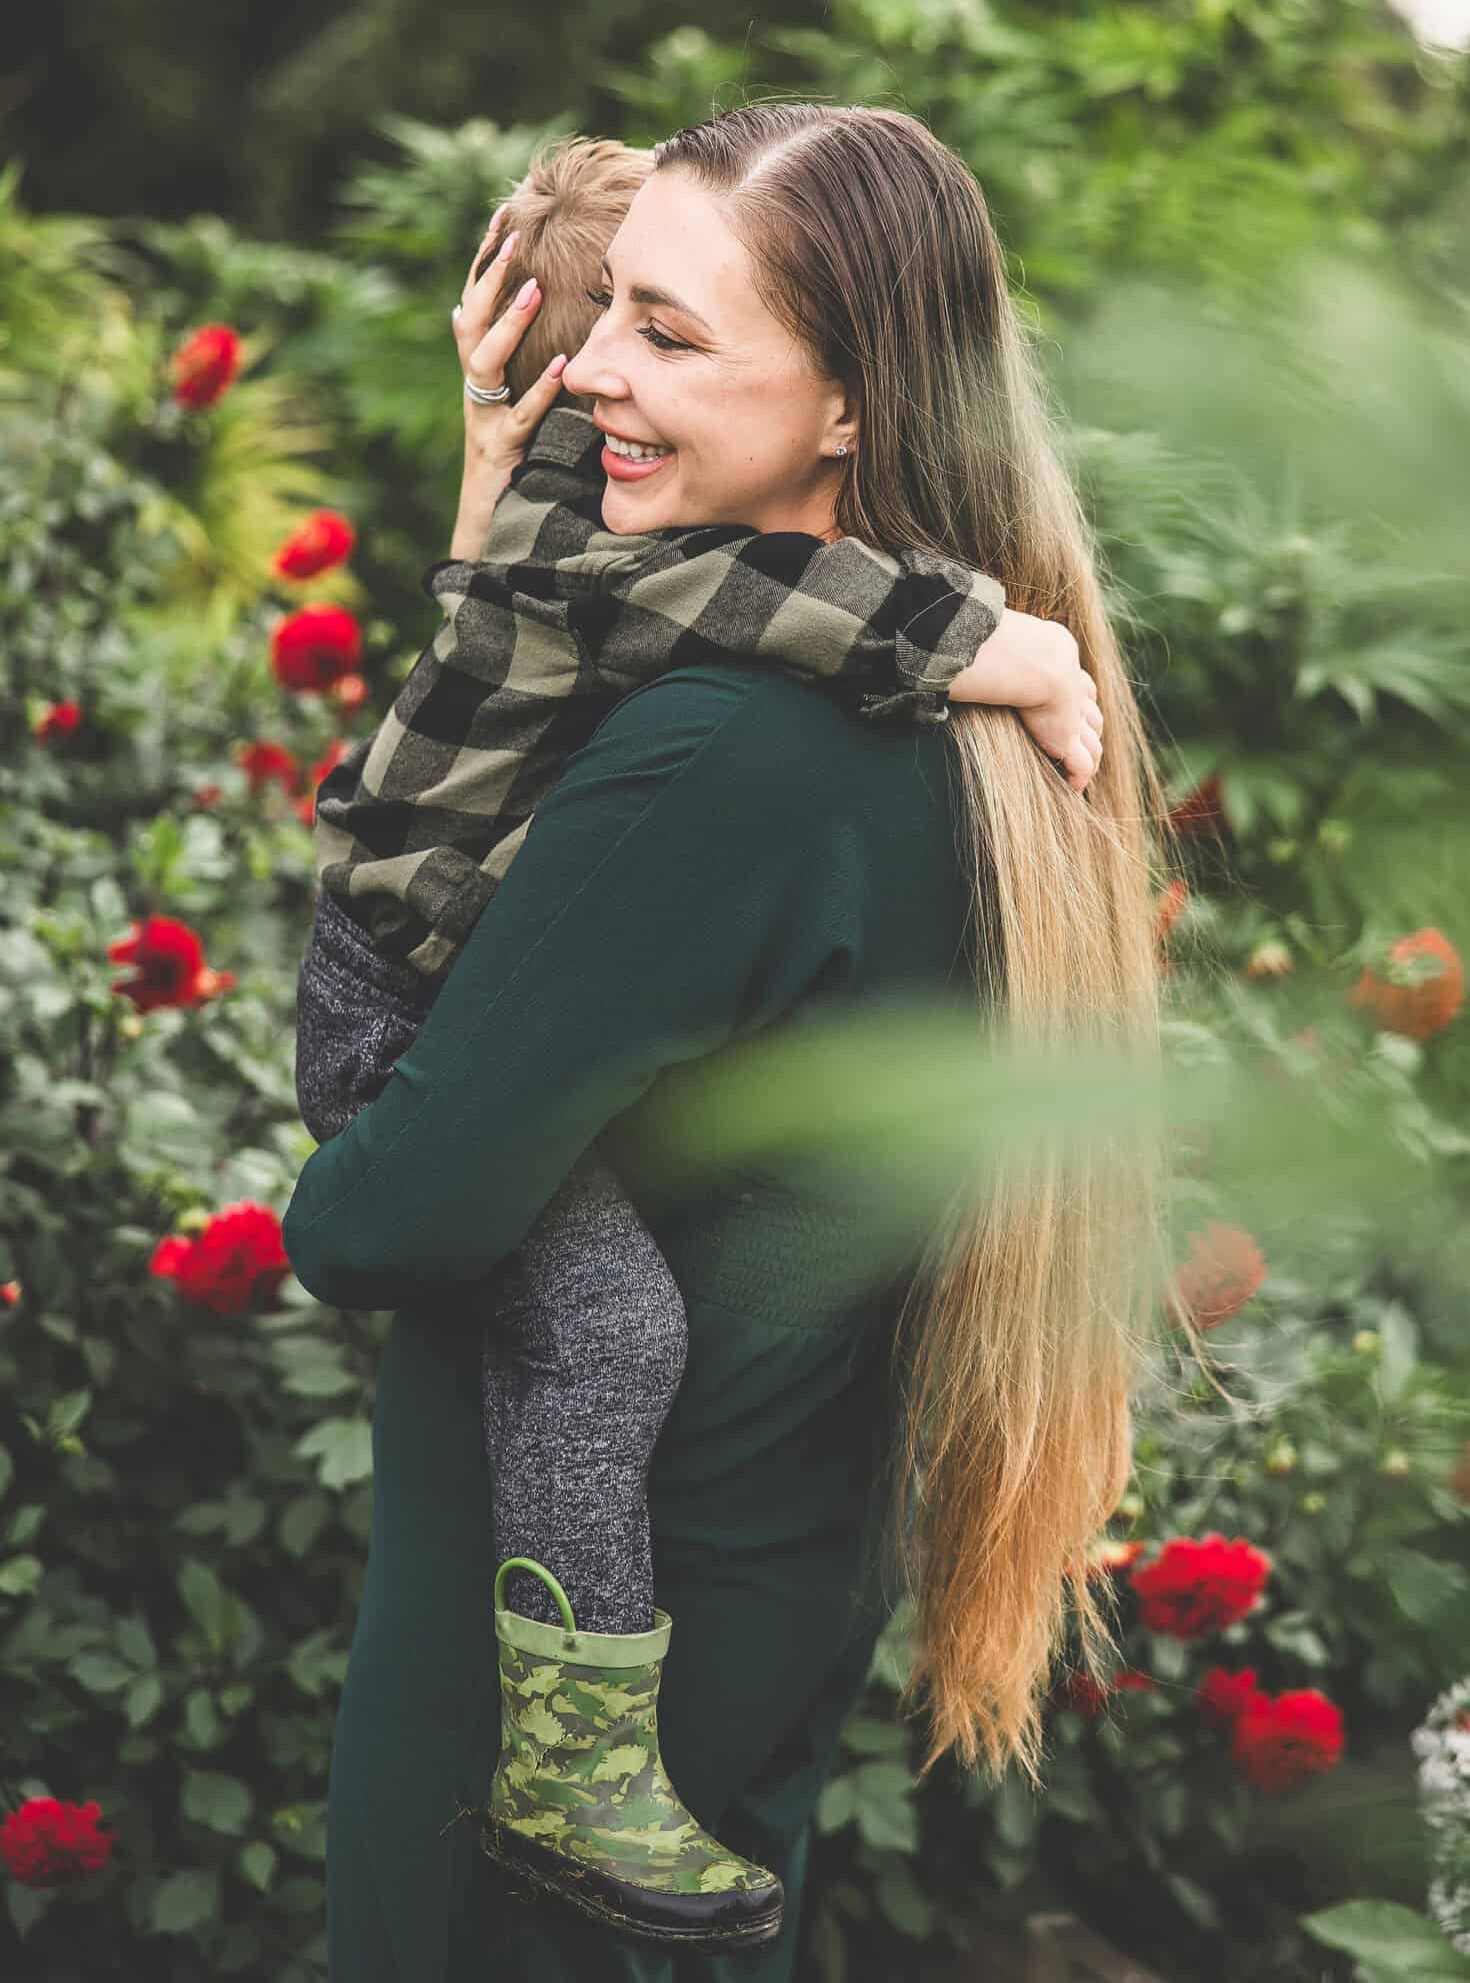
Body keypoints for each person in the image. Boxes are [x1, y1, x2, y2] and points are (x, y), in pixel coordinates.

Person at [281, 101, 1179, 1983]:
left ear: (852, 404)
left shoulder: (726, 759)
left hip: (547, 1738)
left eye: (670, 334)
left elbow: (380, 1222)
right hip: (762, 1618)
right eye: (610, 310)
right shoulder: (975, 747)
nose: (598, 369)